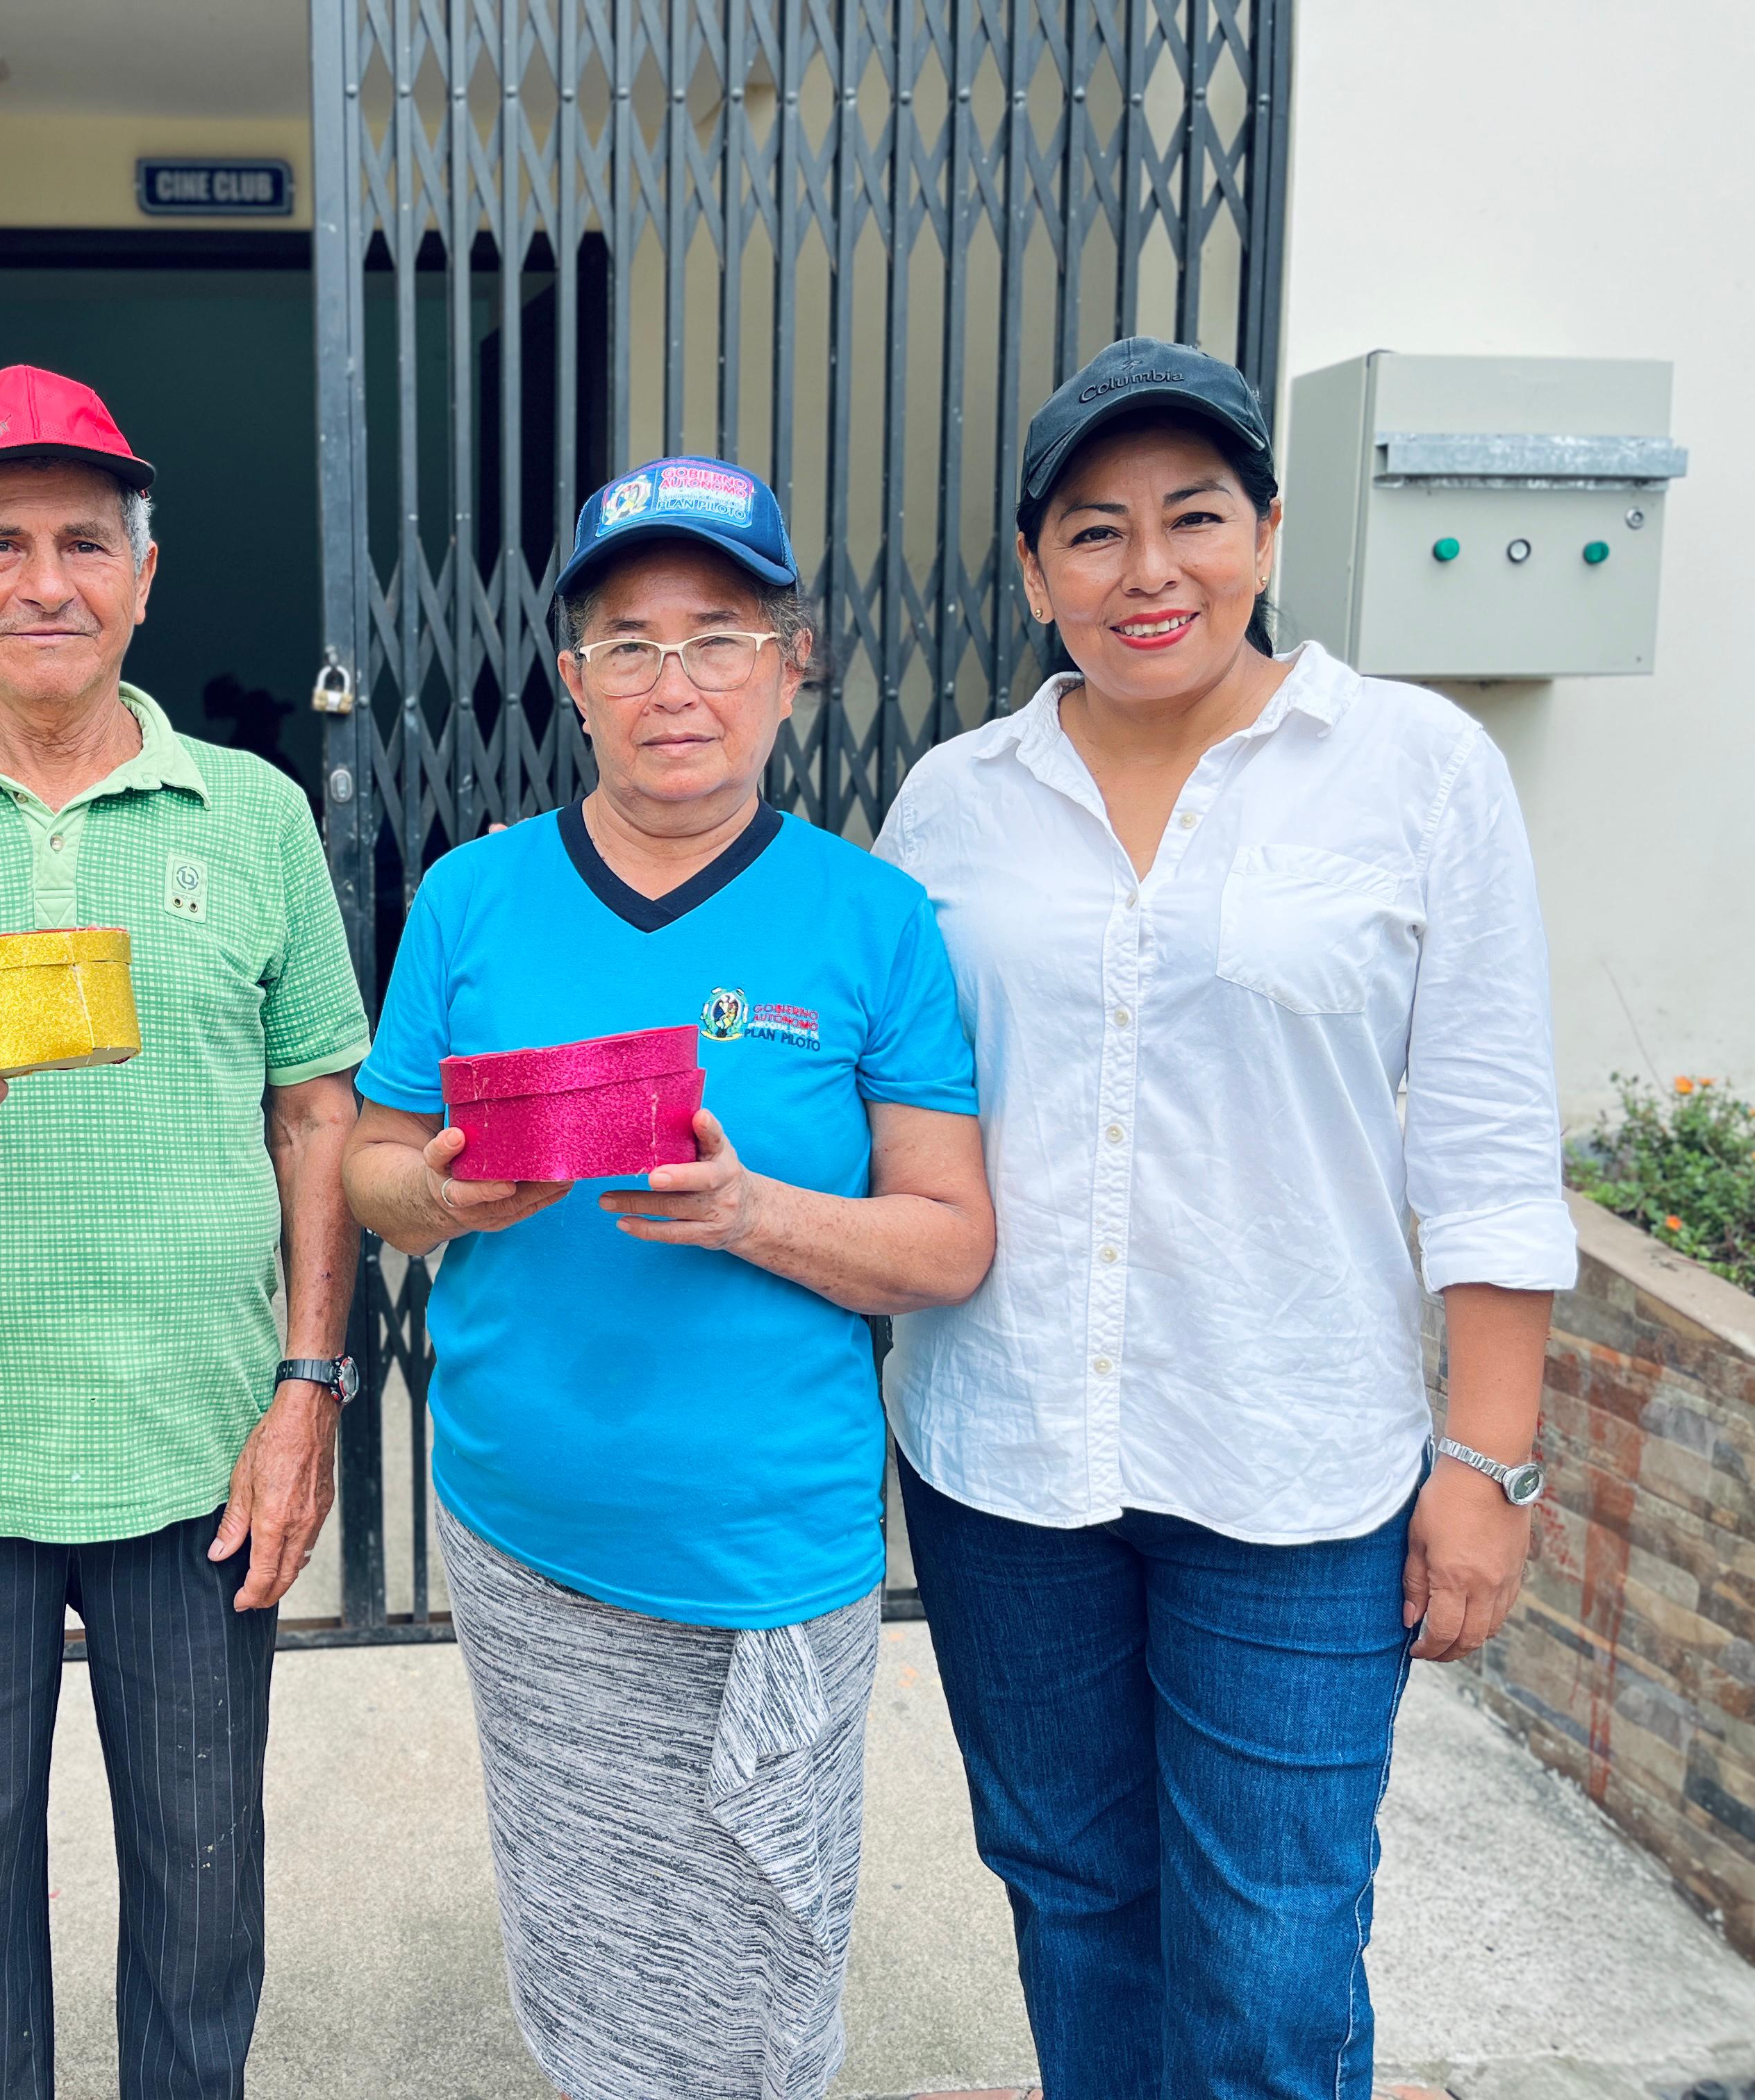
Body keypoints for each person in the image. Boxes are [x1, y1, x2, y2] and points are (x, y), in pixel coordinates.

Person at [874, 336, 1580, 2097]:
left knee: (1273, 1951)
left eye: (1193, 517)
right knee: (1073, 1897)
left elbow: (1489, 1138)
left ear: (1266, 533)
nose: (1149, 570)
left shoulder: (1414, 769)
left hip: (1296, 1470)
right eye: (1093, 531)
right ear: (1034, 570)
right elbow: (874, 1091)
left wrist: (1488, 1464)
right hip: (1007, 1457)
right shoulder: (953, 801)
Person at [342, 457, 995, 2100]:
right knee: (588, 1944)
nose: (673, 683)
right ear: (572, 680)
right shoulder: (472, 898)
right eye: (628, 643)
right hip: (528, 1532)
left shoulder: (871, 919)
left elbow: (949, 1242)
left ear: (792, 662)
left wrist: (758, 1214)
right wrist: (440, 1193)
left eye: (718, 637)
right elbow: (367, 1167)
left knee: (763, 1951)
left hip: (766, 1548)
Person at [0, 365, 373, 2100]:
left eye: (87, 542)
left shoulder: (251, 813)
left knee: (203, 1893)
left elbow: (316, 1113)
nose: (47, 582)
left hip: (200, 1449)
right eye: (2, 543)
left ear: (145, 575)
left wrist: (307, 1390)